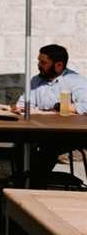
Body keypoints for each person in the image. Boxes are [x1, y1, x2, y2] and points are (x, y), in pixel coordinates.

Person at [14, 44, 87, 187]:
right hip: (38, 129)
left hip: (68, 133)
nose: (38, 65)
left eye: (43, 62)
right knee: (20, 142)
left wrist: (58, 107)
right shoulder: (36, 81)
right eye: (38, 61)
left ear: (59, 65)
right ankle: (24, 181)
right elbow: (22, 104)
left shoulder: (75, 81)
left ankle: (34, 183)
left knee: (47, 147)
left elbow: (85, 106)